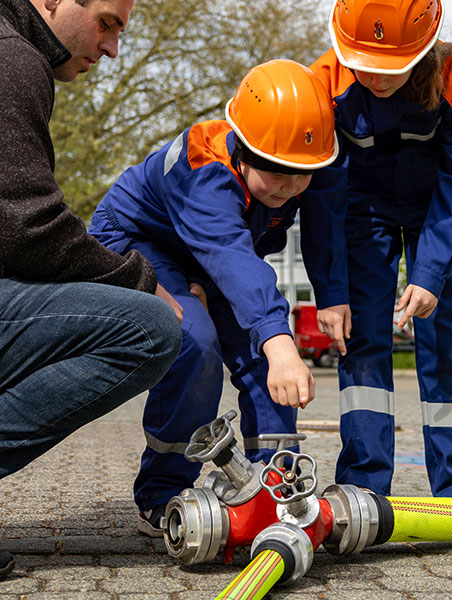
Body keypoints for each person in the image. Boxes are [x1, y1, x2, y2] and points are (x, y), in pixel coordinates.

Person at [87, 58, 341, 536]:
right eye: (277, 174)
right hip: (137, 241)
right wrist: (282, 343)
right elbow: (230, 254)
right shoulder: (202, 168)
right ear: (243, 149)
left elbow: (270, 246)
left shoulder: (296, 169)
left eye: (301, 177)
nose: (289, 189)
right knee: (194, 340)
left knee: (262, 357)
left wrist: (308, 314)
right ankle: (162, 496)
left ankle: (278, 485)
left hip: (207, 255)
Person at [0, 0, 184, 579]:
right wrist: (141, 281)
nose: (111, 48)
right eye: (107, 23)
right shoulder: (13, 60)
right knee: (148, 328)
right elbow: (28, 228)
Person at [309, 0, 452, 497]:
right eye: (364, 65)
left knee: (441, 340)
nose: (376, 78)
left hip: (436, 214)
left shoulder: (451, 79)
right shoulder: (325, 82)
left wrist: (430, 272)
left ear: (423, 48)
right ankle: (363, 489)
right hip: (364, 214)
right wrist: (331, 290)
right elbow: (323, 195)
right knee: (362, 340)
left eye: (390, 68)